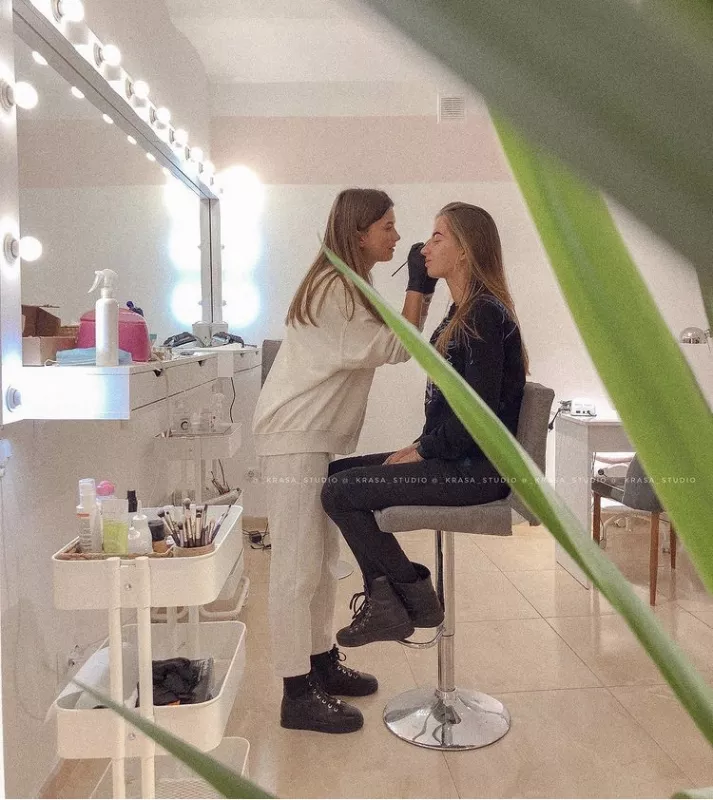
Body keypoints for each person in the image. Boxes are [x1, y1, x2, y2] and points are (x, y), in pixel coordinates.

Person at [252, 188, 437, 734]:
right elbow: (398, 346)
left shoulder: (350, 283)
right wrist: (420, 285)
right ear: (359, 232)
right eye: (387, 227)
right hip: (294, 436)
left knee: (320, 560)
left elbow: (396, 340)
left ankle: (319, 663)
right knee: (296, 567)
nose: (397, 237)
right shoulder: (334, 289)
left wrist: (417, 289)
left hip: (310, 436)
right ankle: (296, 693)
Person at [321, 202, 529, 647]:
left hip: (477, 470)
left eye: (437, 238)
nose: (423, 248)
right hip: (455, 457)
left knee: (341, 490)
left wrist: (423, 450)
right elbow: (450, 407)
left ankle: (406, 600)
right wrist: (423, 445)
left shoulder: (484, 314)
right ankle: (397, 600)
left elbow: (478, 416)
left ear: (465, 251)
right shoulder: (461, 312)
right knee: (335, 475)